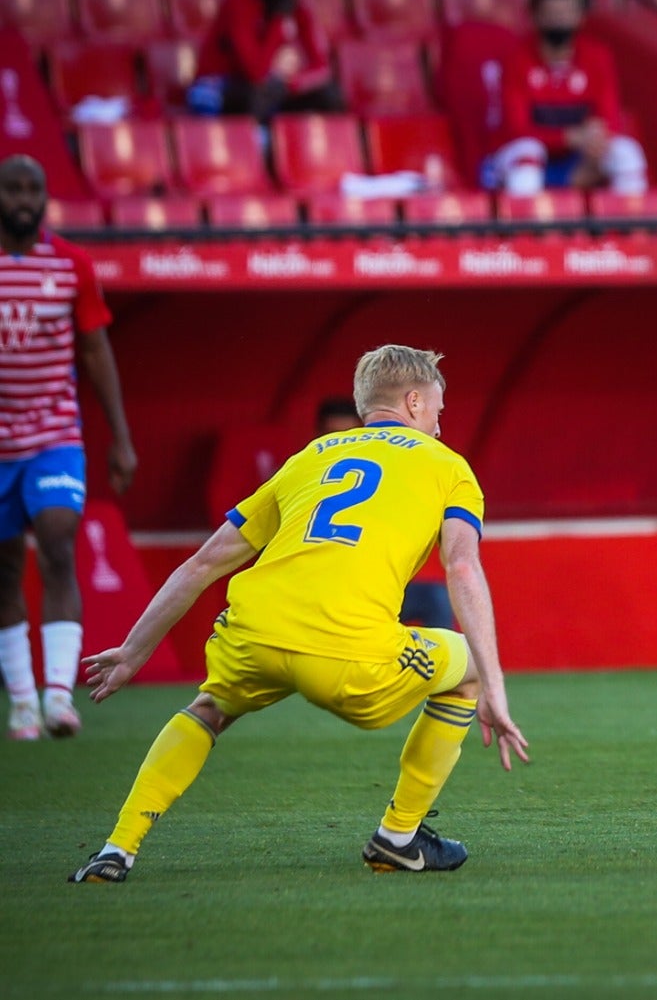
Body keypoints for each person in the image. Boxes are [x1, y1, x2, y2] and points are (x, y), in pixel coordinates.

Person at [68, 346, 527, 883]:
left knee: (208, 708)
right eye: (438, 412)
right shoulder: (448, 467)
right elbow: (463, 568)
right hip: (348, 653)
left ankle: (117, 850)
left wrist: (134, 650)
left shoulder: (311, 457)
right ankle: (399, 837)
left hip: (255, 632)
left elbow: (204, 562)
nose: (441, 427)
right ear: (412, 401)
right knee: (468, 669)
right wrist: (495, 683)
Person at [0, 154, 137, 742]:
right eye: (14, 189)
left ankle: (59, 694)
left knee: (58, 539)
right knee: (5, 567)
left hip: (55, 435)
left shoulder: (73, 264)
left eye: (35, 188)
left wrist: (121, 439)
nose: (25, 198)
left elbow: (96, 351)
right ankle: (22, 701)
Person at [486, 0, 648, 196]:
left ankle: (630, 225)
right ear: (534, 18)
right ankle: (527, 228)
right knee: (527, 158)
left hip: (578, 156)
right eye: (551, 13)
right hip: (521, 159)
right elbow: (516, 130)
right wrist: (567, 138)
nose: (559, 19)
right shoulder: (516, 61)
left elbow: (609, 119)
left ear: (580, 18)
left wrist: (595, 139)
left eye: (566, 12)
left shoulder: (597, 57)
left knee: (627, 153)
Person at [317, 396, 455, 629]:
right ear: (318, 435)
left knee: (435, 597)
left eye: (348, 433)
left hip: (376, 587)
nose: (342, 442)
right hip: (324, 590)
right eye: (332, 435)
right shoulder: (306, 471)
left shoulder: (385, 473)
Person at [189, 0, 344, 122]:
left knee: (330, 96)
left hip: (272, 88)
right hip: (215, 89)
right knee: (258, 97)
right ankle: (257, 146)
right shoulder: (238, 3)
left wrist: (293, 82)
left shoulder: (296, 1)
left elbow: (321, 64)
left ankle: (303, 145)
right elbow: (255, 72)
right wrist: (278, 23)